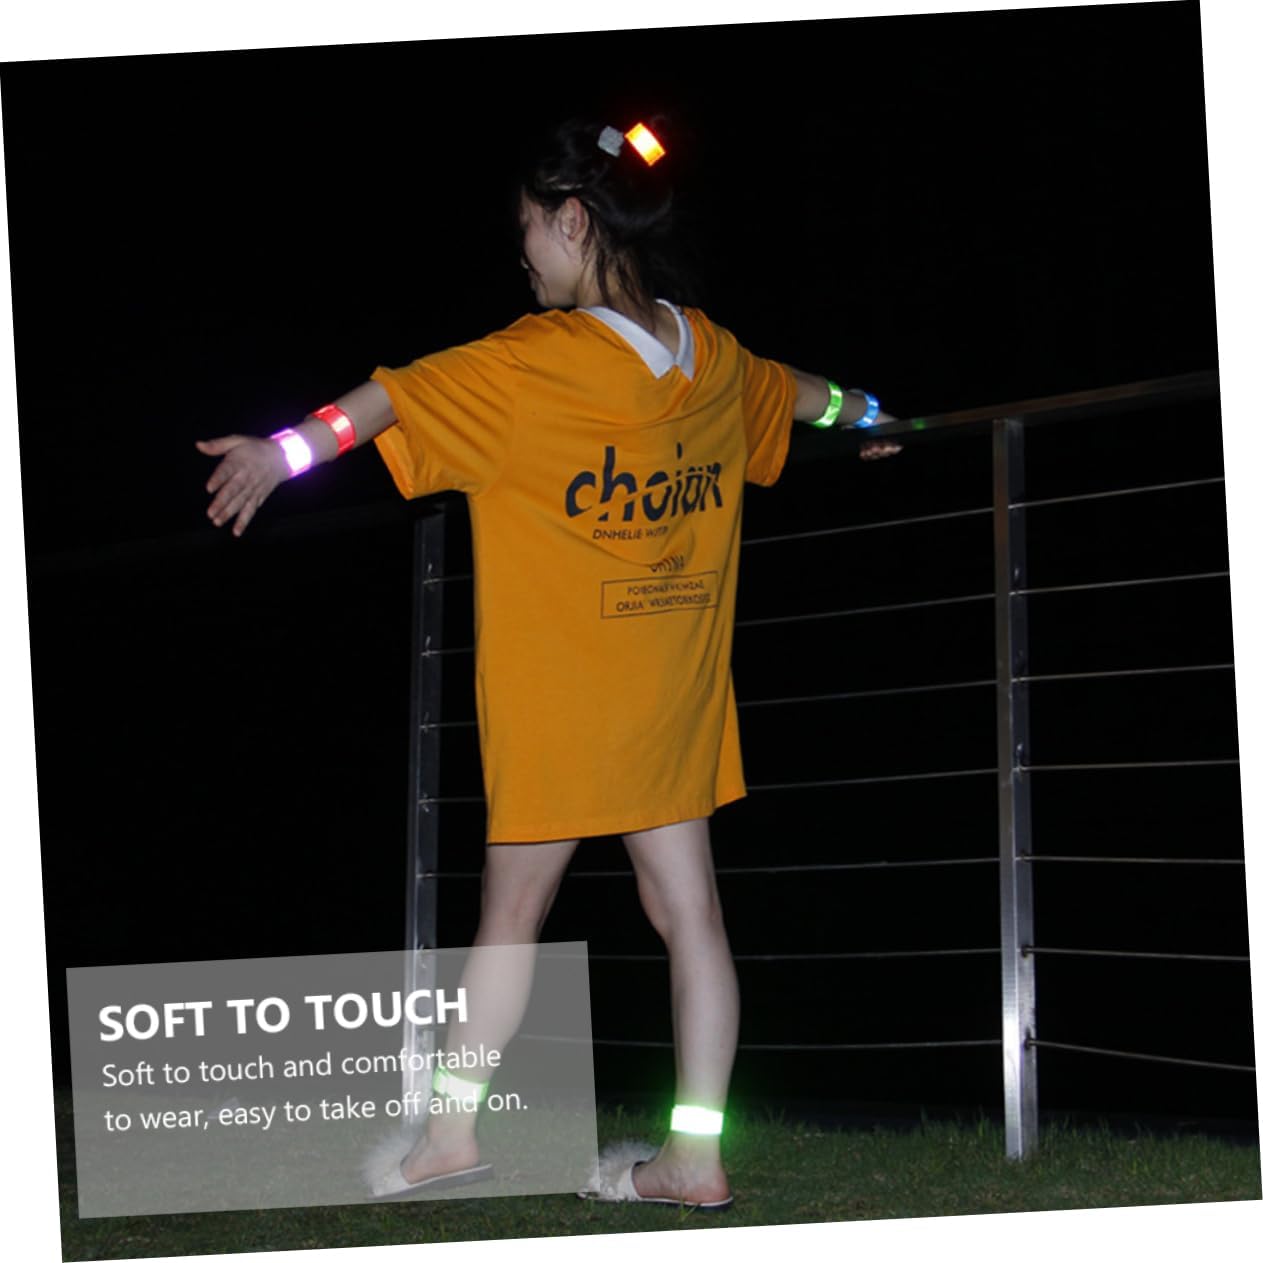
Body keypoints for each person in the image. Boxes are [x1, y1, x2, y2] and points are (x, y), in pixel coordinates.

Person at [197, 116, 900, 1210]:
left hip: (564, 703)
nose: (521, 251)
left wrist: (279, 455)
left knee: (511, 915)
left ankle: (448, 1139)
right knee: (692, 919)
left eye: (528, 226)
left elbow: (387, 400)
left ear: (574, 221)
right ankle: (694, 1155)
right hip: (669, 698)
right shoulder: (713, 356)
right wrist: (875, 414)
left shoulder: (528, 363)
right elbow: (808, 395)